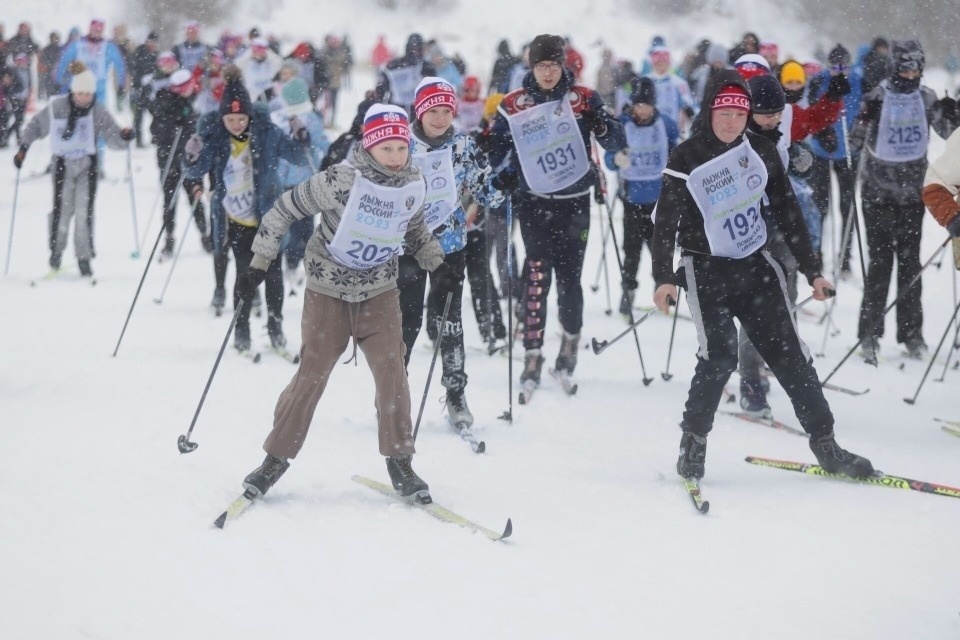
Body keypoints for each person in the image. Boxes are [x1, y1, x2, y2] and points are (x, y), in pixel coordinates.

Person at [650, 69, 874, 481]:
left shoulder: (761, 151)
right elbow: (665, 222)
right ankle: (693, 443)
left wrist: (812, 271)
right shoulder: (686, 156)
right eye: (724, 111)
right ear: (710, 110)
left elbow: (788, 211)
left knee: (790, 355)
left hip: (755, 267)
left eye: (739, 112)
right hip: (705, 269)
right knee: (718, 356)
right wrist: (663, 276)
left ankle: (826, 444)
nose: (731, 121)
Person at [232, 103, 447, 503]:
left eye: (402, 149)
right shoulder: (341, 180)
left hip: (379, 291)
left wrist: (438, 263)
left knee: (392, 373)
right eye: (388, 150)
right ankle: (274, 458)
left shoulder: (412, 183)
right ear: (369, 146)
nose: (397, 158)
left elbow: (415, 229)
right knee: (311, 374)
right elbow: (284, 210)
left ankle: (400, 461)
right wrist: (259, 262)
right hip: (328, 290)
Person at [486, 34, 625, 390]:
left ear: (563, 65)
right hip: (533, 202)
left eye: (553, 65)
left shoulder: (584, 99)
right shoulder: (515, 103)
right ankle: (533, 352)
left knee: (568, 279)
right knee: (535, 278)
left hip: (574, 202)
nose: (548, 72)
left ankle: (570, 342)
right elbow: (496, 148)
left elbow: (617, 140)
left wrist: (604, 126)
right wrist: (506, 172)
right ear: (531, 66)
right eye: (541, 65)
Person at [400, 77, 504, 430]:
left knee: (450, 322)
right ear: (420, 110)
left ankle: (456, 393)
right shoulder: (403, 143)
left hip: (450, 246)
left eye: (447, 110)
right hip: (408, 247)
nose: (441, 117)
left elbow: (484, 189)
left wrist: (506, 183)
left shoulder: (463, 144)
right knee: (407, 322)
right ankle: (394, 394)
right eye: (434, 110)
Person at [183, 66, 311, 346]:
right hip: (236, 220)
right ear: (223, 117)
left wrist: (301, 136)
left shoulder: (267, 133)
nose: (237, 124)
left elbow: (300, 158)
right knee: (245, 276)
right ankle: (242, 330)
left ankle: (275, 327)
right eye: (231, 119)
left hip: (268, 218)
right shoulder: (216, 137)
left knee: (274, 276)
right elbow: (195, 171)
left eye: (241, 119)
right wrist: (191, 156)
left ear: (250, 116)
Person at [848, 40, 958, 361]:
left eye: (917, 67)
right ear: (895, 66)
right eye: (906, 66)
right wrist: (860, 120)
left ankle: (911, 334)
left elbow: (948, 132)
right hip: (877, 195)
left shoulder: (926, 97)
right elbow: (855, 140)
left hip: (912, 195)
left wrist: (953, 114)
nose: (912, 73)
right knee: (880, 265)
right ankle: (869, 334)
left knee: (910, 266)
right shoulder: (878, 96)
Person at [14, 61, 133, 277]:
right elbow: (35, 126)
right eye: (80, 93)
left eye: (88, 94)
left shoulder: (98, 110)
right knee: (62, 211)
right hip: (62, 167)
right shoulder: (57, 107)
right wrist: (23, 149)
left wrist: (124, 137)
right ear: (73, 91)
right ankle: (56, 251)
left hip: (87, 167)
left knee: (83, 212)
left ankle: (84, 257)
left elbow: (113, 137)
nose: (84, 98)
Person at [604, 76, 680, 315]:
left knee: (661, 251)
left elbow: (678, 152)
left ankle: (665, 293)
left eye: (646, 105)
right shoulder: (622, 124)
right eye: (638, 105)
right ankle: (628, 293)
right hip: (632, 201)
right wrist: (616, 159)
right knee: (631, 251)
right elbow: (609, 158)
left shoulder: (666, 124)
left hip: (659, 201)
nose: (642, 110)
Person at [149, 68, 210, 258]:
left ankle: (204, 235)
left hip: (188, 160)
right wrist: (174, 127)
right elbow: (156, 130)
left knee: (195, 197)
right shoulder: (165, 103)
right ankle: (169, 237)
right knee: (170, 201)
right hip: (171, 161)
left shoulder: (189, 102)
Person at [375, 33, 436, 114]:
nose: (416, 52)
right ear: (408, 48)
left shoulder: (428, 68)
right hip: (395, 111)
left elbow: (434, 91)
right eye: (414, 49)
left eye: (419, 49)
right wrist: (378, 109)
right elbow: (380, 90)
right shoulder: (393, 66)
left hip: (419, 112)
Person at [130, 32, 159, 148]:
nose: (152, 45)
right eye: (150, 42)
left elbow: (158, 72)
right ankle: (138, 140)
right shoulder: (139, 53)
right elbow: (134, 70)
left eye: (154, 43)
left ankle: (155, 137)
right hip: (139, 91)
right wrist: (141, 81)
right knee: (138, 117)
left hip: (152, 92)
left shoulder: (156, 56)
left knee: (158, 115)